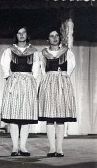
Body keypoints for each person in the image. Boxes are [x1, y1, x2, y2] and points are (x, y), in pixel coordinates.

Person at [0, 26, 39, 156]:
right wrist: (10, 79)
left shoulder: (34, 51)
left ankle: (23, 147)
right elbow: (5, 67)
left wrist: (30, 81)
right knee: (14, 117)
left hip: (28, 82)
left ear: (27, 35)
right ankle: (15, 147)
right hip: (14, 82)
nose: (21, 35)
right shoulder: (9, 51)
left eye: (24, 33)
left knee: (26, 117)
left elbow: (36, 69)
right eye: (18, 33)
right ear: (15, 35)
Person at [38, 29, 76, 157]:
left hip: (62, 83)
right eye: (51, 36)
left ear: (59, 38)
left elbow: (71, 66)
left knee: (60, 118)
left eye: (56, 36)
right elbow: (42, 68)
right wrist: (48, 79)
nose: (54, 38)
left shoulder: (66, 52)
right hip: (48, 83)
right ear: (48, 39)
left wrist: (62, 77)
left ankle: (59, 149)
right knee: (49, 118)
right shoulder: (44, 53)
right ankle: (51, 148)